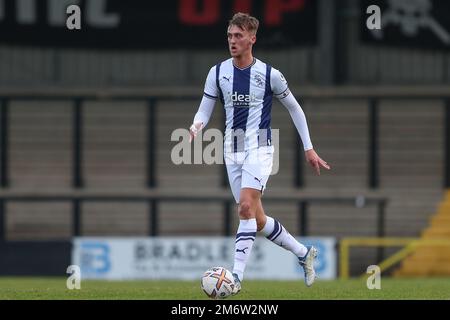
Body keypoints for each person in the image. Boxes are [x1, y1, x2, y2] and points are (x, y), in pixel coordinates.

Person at [189, 12, 331, 295]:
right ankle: (304, 253)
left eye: (238, 36)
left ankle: (236, 277)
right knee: (257, 219)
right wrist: (197, 124)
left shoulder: (270, 75)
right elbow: (205, 107)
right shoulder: (217, 72)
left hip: (261, 147)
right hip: (232, 150)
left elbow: (295, 108)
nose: (232, 41)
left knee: (244, 208)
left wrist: (309, 147)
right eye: (230, 36)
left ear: (252, 39)